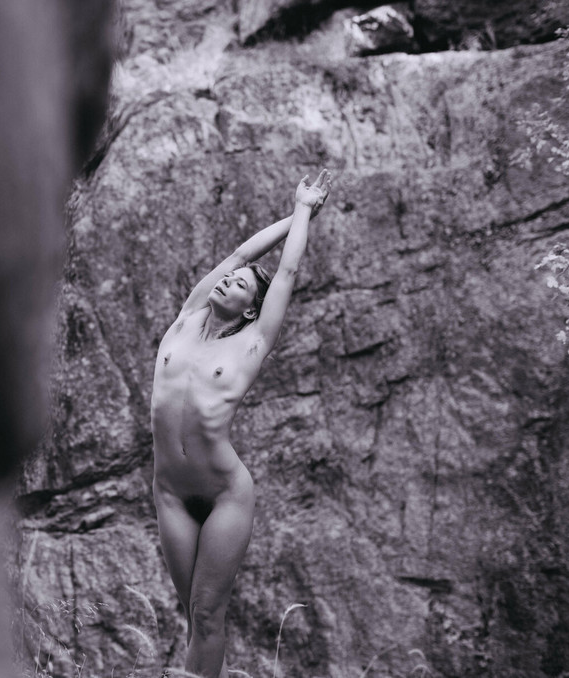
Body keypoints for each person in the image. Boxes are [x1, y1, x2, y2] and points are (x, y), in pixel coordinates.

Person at [150, 169, 333, 678]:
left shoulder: (252, 344)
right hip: (170, 493)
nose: (228, 279)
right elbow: (240, 255)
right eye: (229, 278)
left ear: (252, 309)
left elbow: (287, 272)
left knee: (208, 612)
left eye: (240, 285)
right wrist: (293, 214)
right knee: (196, 616)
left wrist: (304, 210)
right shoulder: (186, 319)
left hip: (225, 494)